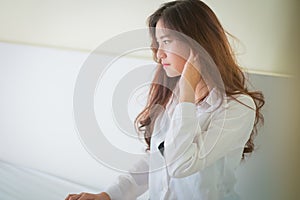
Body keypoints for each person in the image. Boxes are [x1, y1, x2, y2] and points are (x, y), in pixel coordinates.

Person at [65, 0, 264, 199]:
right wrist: (107, 196)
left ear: (198, 43)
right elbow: (156, 161)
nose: (159, 54)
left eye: (166, 41)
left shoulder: (238, 108)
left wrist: (187, 90)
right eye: (158, 44)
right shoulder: (172, 94)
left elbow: (180, 165)